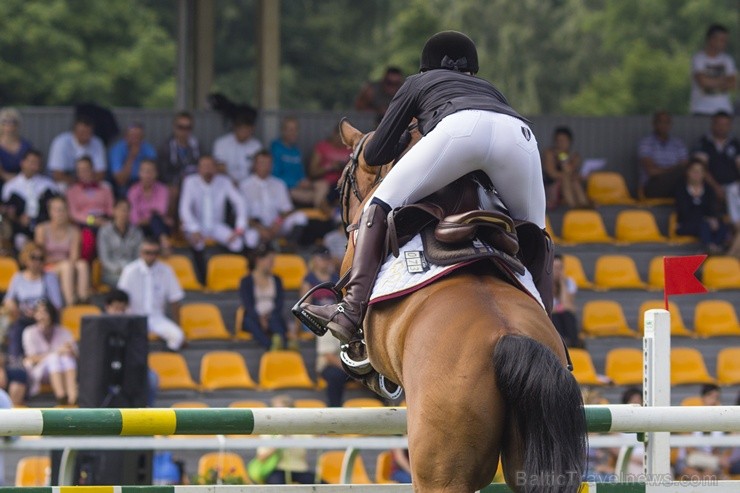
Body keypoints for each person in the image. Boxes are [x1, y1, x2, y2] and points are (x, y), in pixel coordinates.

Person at [299, 31, 549, 355]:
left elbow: (375, 155)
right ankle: (548, 331)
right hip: (521, 137)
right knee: (537, 234)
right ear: (471, 70)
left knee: (377, 204)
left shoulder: (419, 82)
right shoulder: (490, 88)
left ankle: (350, 311)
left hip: (460, 130)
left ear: (424, 68)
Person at [179, 155, 258, 283]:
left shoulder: (224, 181)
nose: (207, 170)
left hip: (216, 225)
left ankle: (235, 277)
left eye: (210, 166)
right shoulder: (190, 182)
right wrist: (193, 228)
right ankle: (203, 280)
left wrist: (239, 227)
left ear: (216, 168)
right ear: (198, 169)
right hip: (196, 225)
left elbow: (240, 203)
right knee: (197, 243)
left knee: (237, 243)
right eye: (204, 167)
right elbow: (184, 209)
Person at [117, 238, 185, 352]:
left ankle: (165, 360)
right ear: (140, 253)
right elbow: (120, 298)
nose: (151, 256)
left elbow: (175, 299)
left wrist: (178, 325)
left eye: (154, 253)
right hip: (134, 316)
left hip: (157, 318)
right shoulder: (129, 270)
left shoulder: (166, 270)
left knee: (178, 336)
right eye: (147, 252)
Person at [2, 243, 64, 364]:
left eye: (40, 258)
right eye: (33, 258)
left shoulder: (49, 277)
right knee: (15, 327)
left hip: (43, 316)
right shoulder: (18, 277)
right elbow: (8, 299)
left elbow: (57, 304)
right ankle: (16, 362)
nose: (37, 262)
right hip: (23, 316)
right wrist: (13, 306)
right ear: (26, 259)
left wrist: (38, 310)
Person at [240, 151, 309, 248]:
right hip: (256, 226)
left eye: (268, 163)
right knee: (250, 237)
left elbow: (287, 209)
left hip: (276, 225)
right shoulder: (245, 185)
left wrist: (277, 223)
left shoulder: (279, 184)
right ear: (254, 165)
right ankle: (257, 258)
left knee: (300, 217)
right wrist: (260, 229)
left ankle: (289, 249)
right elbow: (243, 215)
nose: (265, 167)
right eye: (262, 163)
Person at [103, 288, 159, 407]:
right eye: (116, 308)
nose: (119, 313)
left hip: (128, 369)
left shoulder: (132, 325)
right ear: (107, 307)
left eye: (122, 309)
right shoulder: (97, 327)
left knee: (151, 377)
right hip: (105, 370)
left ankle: (146, 408)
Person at [34, 196, 90, 305]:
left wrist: (63, 261)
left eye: (63, 209)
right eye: (56, 210)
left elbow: (74, 256)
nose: (60, 213)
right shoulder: (41, 229)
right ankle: (70, 304)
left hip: (67, 264)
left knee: (82, 265)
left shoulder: (74, 231)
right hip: (47, 266)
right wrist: (61, 261)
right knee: (66, 266)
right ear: (50, 212)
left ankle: (83, 300)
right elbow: (40, 256)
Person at [22, 299, 78, 405]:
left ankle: (72, 397)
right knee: (54, 358)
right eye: (39, 312)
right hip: (39, 371)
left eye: (45, 312)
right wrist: (57, 352)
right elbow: (31, 358)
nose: (42, 316)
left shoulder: (64, 331)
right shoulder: (29, 332)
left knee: (67, 358)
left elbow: (75, 354)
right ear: (34, 315)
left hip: (63, 369)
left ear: (51, 313)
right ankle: (61, 396)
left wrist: (69, 350)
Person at [1, 149, 59, 251]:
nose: (34, 167)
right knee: (20, 240)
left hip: (44, 225)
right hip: (20, 228)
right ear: (22, 163)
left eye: (37, 163)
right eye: (31, 162)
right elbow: (6, 212)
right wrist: (16, 218)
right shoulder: (10, 186)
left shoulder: (48, 185)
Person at [253, 394, 315, 485]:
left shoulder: (301, 429)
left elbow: (314, 442)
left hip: (300, 470)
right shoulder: (267, 431)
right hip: (277, 470)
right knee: (277, 486)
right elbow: (261, 457)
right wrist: (278, 443)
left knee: (322, 485)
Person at [238, 245, 288, 351]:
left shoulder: (277, 280)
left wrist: (268, 316)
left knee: (275, 320)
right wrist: (260, 318)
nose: (272, 263)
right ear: (258, 260)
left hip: (273, 314)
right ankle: (271, 346)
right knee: (251, 322)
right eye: (269, 260)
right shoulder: (246, 281)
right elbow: (248, 304)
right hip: (254, 316)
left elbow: (279, 303)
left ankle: (281, 342)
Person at [65, 156, 114, 261]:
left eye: (86, 169)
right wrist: (92, 221)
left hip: (104, 220)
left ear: (93, 169)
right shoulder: (72, 191)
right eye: (80, 170)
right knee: (87, 240)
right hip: (84, 223)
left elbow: (111, 209)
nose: (84, 172)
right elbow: (73, 213)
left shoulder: (105, 189)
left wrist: (106, 221)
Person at [675, 159, 728, 254]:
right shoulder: (680, 189)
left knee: (722, 226)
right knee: (704, 225)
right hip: (686, 224)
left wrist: (713, 219)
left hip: (705, 223)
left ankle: (714, 247)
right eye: (694, 171)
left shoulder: (709, 190)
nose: (697, 174)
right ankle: (711, 247)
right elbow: (684, 211)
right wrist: (705, 219)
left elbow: (712, 209)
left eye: (700, 171)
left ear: (704, 174)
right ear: (688, 172)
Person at [677, 384, 730, 479]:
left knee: (709, 475)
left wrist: (709, 462)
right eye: (710, 396)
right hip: (687, 460)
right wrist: (714, 460)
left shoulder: (719, 423)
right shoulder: (691, 418)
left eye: (716, 397)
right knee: (695, 475)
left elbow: (715, 450)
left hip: (708, 462)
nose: (713, 400)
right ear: (703, 398)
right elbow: (689, 450)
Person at [270, 116, 321, 208]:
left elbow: (300, 173)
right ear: (283, 131)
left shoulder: (296, 150)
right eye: (290, 129)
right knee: (314, 196)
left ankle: (324, 215)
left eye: (295, 129)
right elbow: (274, 176)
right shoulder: (276, 148)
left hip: (299, 186)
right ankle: (322, 217)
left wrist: (304, 181)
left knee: (322, 185)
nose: (293, 133)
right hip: (285, 189)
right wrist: (296, 183)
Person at [638, 111, 689, 198]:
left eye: (667, 122)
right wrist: (673, 170)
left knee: (694, 171)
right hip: (653, 186)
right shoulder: (646, 143)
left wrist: (667, 170)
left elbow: (686, 166)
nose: (664, 125)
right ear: (654, 124)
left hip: (675, 186)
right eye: (660, 122)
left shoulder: (678, 144)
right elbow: (652, 171)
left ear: (671, 125)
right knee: (683, 173)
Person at [692, 111, 740, 203]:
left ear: (730, 126)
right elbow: (700, 169)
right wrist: (716, 188)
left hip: (733, 186)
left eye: (725, 124)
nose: (722, 128)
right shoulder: (703, 143)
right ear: (713, 124)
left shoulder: (735, 144)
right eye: (719, 124)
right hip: (710, 185)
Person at [690, 24, 737, 116]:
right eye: (722, 40)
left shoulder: (728, 60)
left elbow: (733, 83)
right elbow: (702, 82)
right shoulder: (699, 58)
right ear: (712, 40)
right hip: (701, 109)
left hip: (724, 110)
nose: (725, 43)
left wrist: (710, 81)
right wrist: (724, 81)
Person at [47, 114, 106, 187]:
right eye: (82, 132)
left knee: (106, 186)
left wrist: (87, 183)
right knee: (61, 186)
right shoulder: (61, 142)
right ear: (74, 131)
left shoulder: (97, 142)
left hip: (90, 179)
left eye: (88, 132)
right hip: (67, 178)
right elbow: (57, 174)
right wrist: (78, 185)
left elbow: (100, 173)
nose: (85, 135)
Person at [127, 159, 172, 254]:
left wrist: (148, 217)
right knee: (153, 220)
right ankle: (163, 244)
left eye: (150, 171)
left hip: (160, 226)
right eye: (144, 171)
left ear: (156, 174)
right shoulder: (133, 191)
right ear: (139, 173)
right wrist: (151, 216)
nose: (148, 175)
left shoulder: (162, 189)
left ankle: (163, 244)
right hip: (141, 228)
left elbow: (161, 210)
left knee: (156, 219)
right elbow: (134, 219)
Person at [97, 199, 143, 286]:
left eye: (127, 210)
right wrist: (120, 270)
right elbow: (104, 258)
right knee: (126, 282)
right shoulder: (104, 231)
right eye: (121, 210)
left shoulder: (136, 232)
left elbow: (138, 256)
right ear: (114, 211)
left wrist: (130, 270)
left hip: (132, 271)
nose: (124, 213)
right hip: (112, 273)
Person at [542, 126, 590, 209]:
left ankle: (583, 205)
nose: (560, 143)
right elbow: (551, 173)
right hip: (552, 186)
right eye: (558, 141)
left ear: (570, 142)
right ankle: (574, 206)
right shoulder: (549, 153)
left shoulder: (575, 156)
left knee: (574, 181)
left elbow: (569, 170)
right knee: (566, 179)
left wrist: (562, 157)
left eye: (563, 141)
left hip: (570, 184)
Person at [108, 122, 157, 197]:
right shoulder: (117, 150)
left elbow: (154, 172)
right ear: (126, 137)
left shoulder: (148, 148)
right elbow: (120, 180)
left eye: (138, 136)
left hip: (144, 180)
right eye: (132, 136)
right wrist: (131, 157)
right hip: (125, 182)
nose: (135, 139)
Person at [213, 111, 263, 183]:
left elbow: (258, 169)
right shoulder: (221, 143)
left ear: (252, 129)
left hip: (250, 183)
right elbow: (220, 168)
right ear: (235, 128)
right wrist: (232, 182)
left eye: (247, 130)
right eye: (241, 129)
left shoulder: (256, 145)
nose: (244, 133)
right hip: (226, 182)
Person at [307, 126, 350, 203]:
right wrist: (330, 167)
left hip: (345, 184)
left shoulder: (350, 149)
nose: (343, 141)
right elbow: (312, 172)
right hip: (327, 184)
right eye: (341, 137)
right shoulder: (322, 147)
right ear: (334, 134)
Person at [157, 111, 200, 187]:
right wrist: (177, 180)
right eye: (181, 127)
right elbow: (162, 173)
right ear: (174, 127)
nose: (184, 131)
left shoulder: (198, 146)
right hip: (174, 184)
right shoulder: (165, 148)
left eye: (188, 128)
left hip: (194, 184)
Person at [551, 254, 581, 348]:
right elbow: (548, 309)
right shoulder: (544, 284)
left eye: (560, 268)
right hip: (553, 319)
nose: (557, 271)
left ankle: (572, 344)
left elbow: (568, 306)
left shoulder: (569, 283)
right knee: (555, 316)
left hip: (565, 317)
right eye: (555, 268)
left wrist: (562, 283)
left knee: (567, 315)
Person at [0, 108, 32, 186]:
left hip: (23, 183)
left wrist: (19, 180)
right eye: (5, 121)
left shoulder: (26, 145)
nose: (9, 125)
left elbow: (31, 165)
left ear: (18, 124)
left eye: (13, 122)